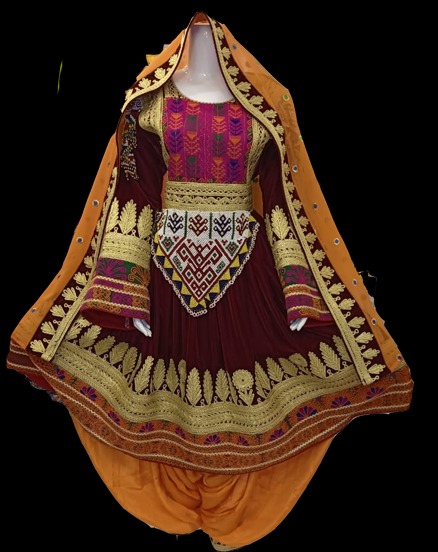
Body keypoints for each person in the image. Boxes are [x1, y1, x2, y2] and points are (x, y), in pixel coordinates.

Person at [6, 11, 414, 551]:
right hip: (163, 264)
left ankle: (238, 505)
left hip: (248, 265)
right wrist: (124, 291)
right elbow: (132, 191)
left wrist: (298, 288)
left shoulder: (267, 105)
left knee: (261, 393)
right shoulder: (144, 104)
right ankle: (168, 499)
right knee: (158, 394)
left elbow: (285, 201)